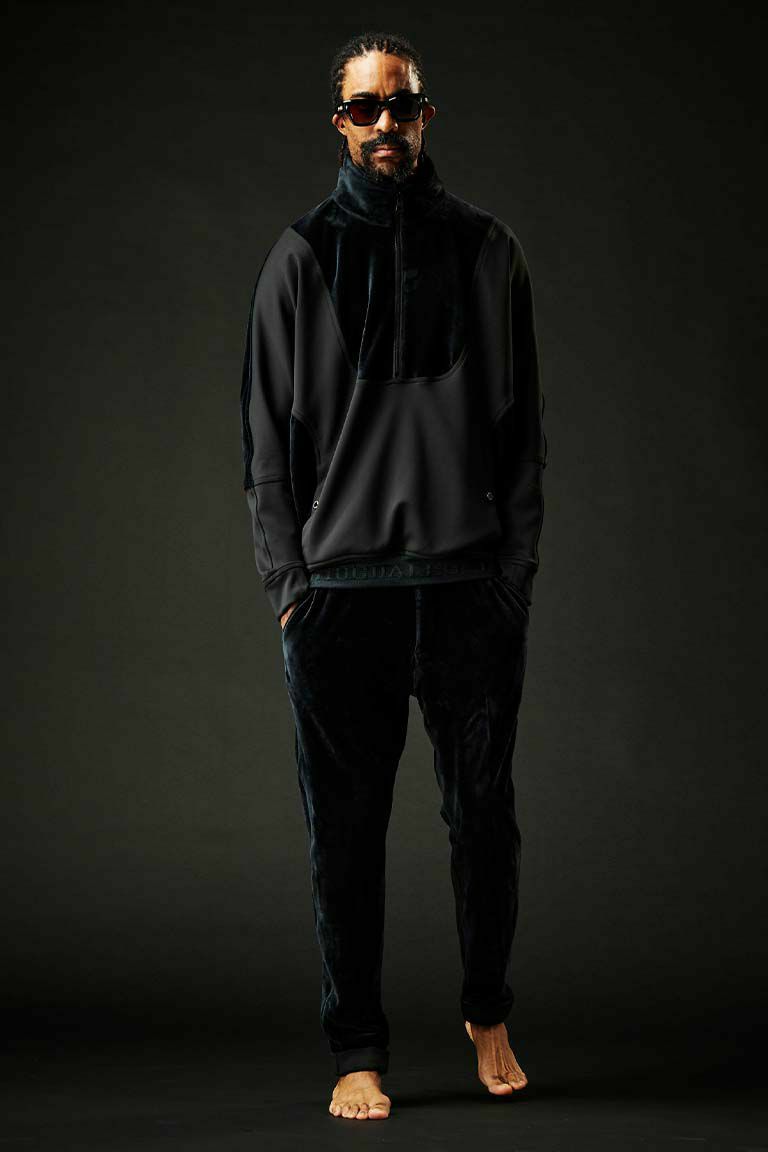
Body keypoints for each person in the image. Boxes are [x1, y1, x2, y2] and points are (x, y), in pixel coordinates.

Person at [239, 29, 547, 1122]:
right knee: (346, 834)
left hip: (467, 590)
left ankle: (487, 1010)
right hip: (340, 597)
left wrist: (512, 577)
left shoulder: (488, 249)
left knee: (484, 819)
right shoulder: (301, 255)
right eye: (364, 108)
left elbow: (523, 439)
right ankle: (357, 1049)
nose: (384, 124)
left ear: (426, 115)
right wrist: (291, 588)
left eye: (401, 105)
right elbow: (263, 447)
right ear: (339, 122)